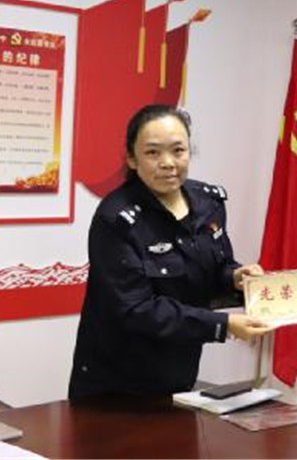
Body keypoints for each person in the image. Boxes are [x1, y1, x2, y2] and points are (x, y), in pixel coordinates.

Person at [69, 104, 272, 398]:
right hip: (117, 385)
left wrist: (235, 277)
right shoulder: (116, 218)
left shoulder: (208, 203)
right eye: (153, 152)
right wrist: (223, 325)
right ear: (132, 158)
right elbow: (137, 309)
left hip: (179, 375)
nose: (168, 163)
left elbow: (213, 269)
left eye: (178, 151)